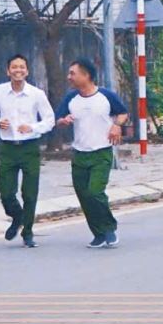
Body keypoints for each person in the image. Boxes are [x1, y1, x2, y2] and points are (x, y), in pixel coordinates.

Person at [53, 58, 129, 247]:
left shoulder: (106, 96)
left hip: (101, 152)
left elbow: (122, 113)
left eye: (73, 73)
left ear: (86, 75)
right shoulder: (71, 98)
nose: (69, 77)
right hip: (79, 153)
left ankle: (109, 227)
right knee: (83, 195)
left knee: (95, 191)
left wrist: (116, 126)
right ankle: (98, 233)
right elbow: (58, 119)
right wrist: (63, 121)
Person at [0, 54, 56, 248]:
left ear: (27, 71)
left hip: (29, 147)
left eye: (21, 67)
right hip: (8, 147)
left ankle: (28, 231)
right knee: (6, 190)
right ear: (8, 71)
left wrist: (33, 128)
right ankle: (17, 216)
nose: (18, 70)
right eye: (14, 67)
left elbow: (49, 120)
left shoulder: (36, 94)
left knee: (29, 192)